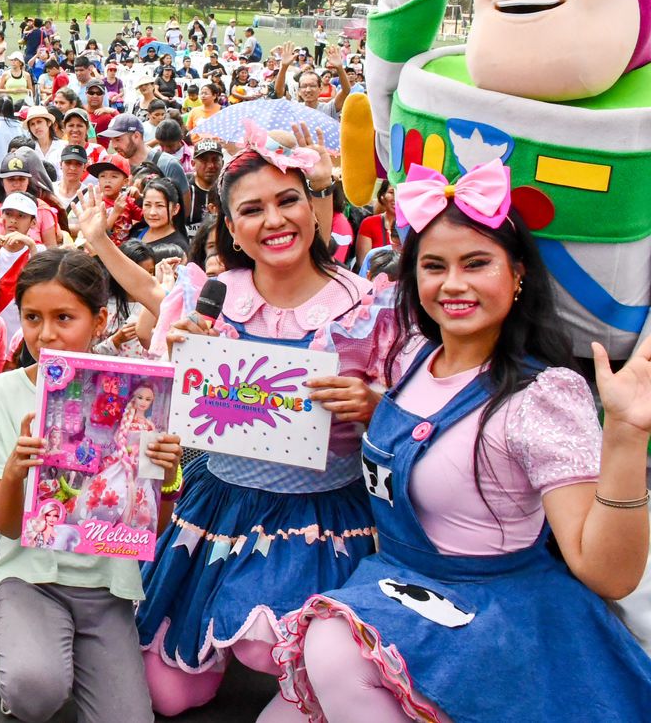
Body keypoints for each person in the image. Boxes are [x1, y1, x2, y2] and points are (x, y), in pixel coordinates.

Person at [269, 162, 651, 722]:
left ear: (517, 274)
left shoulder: (540, 397)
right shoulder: (410, 357)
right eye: (434, 266)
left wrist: (624, 437)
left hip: (492, 618)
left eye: (477, 263)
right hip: (393, 587)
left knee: (330, 647)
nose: (452, 284)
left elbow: (608, 573)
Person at [136, 123, 380, 717]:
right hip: (220, 500)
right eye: (252, 209)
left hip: (324, 506)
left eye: (288, 199)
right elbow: (154, 413)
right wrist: (178, 365)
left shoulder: (365, 303)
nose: (274, 219)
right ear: (232, 230)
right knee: (169, 698)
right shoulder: (206, 296)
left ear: (315, 209)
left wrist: (374, 404)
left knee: (264, 645)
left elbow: (411, 410)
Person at [0, 249, 183, 723]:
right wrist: (14, 471)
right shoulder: (1, 396)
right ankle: (35, 672)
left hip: (106, 587)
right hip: (28, 578)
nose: (45, 333)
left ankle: (60, 661)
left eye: (63, 317)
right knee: (35, 691)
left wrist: (167, 479)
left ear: (100, 320)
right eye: (32, 317)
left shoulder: (139, 394)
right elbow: (7, 527)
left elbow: (150, 527)